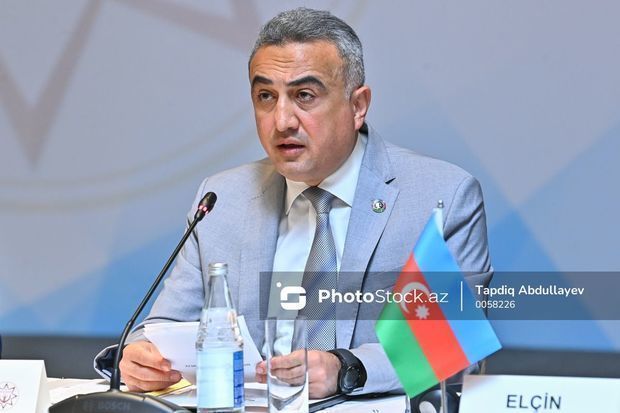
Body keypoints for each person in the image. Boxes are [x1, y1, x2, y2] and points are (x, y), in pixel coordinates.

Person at [96, 7, 492, 398]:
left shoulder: (441, 196)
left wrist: (345, 369)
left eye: (304, 95)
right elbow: (163, 328)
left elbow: (453, 344)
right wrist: (139, 357)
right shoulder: (222, 199)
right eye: (266, 96)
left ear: (358, 106)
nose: (282, 120)